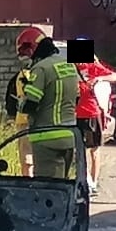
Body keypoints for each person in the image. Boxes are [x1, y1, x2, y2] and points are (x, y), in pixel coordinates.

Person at [13, 26, 80, 180]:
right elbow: (76, 98)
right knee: (64, 185)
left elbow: (30, 104)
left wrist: (20, 103)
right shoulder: (68, 65)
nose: (25, 59)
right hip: (70, 136)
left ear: (31, 50)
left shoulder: (40, 69)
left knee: (48, 188)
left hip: (47, 138)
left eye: (24, 54)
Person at [72, 41, 116, 196]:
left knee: (94, 150)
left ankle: (94, 183)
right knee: (79, 151)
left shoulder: (93, 67)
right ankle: (83, 181)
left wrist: (99, 79)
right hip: (75, 115)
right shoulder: (70, 68)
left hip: (93, 114)